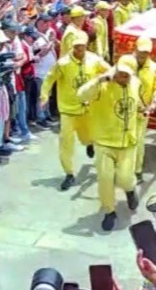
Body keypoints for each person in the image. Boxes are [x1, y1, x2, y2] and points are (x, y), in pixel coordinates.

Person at [77, 59, 142, 231]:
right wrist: (98, 80)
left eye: (127, 75)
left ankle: (130, 190)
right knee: (105, 178)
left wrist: (144, 108)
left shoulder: (135, 83)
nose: (123, 77)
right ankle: (109, 211)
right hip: (104, 142)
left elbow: (138, 102)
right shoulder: (102, 85)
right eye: (121, 73)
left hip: (128, 141)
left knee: (125, 178)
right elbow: (81, 95)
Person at [40, 33, 107, 192]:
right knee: (66, 143)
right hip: (68, 109)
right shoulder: (63, 63)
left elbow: (109, 72)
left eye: (82, 47)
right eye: (77, 47)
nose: (80, 50)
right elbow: (49, 79)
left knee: (90, 135)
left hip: (88, 108)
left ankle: (89, 144)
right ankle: (69, 173)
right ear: (73, 47)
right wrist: (44, 96)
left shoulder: (94, 60)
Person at [129, 38, 156, 183]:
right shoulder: (126, 63)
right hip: (125, 109)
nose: (142, 55)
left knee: (138, 141)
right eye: (140, 51)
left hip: (143, 111)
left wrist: (155, 100)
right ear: (135, 49)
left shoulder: (154, 68)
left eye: (146, 52)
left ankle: (136, 171)